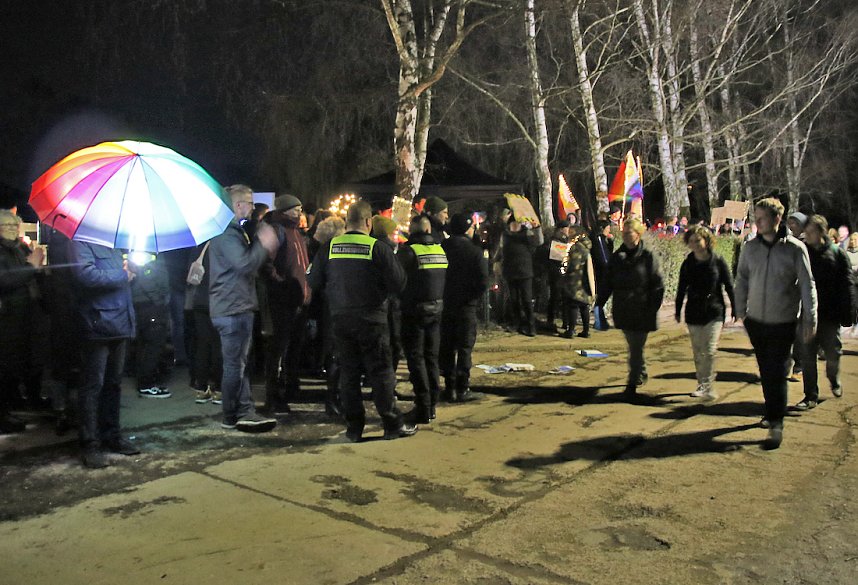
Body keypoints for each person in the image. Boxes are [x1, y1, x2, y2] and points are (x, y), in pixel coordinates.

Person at [307, 201, 417, 441]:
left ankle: (354, 428)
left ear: (347, 221)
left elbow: (313, 281)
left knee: (349, 374)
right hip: (372, 319)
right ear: (368, 222)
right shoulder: (377, 248)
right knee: (380, 372)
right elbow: (399, 283)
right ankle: (391, 424)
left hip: (340, 319)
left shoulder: (330, 247)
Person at [734, 197, 816, 449]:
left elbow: (807, 284)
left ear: (777, 218)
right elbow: (742, 279)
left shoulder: (794, 249)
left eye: (762, 217)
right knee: (766, 370)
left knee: (778, 371)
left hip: (783, 321)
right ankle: (771, 412)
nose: (757, 222)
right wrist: (741, 311)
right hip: (756, 321)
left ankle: (776, 422)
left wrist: (810, 317)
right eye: (756, 217)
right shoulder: (750, 248)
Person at [208, 184, 280, 432]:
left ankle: (244, 410)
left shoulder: (231, 232)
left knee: (239, 364)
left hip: (233, 305)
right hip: (232, 308)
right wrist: (263, 244)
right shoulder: (227, 235)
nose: (252, 207)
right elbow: (245, 265)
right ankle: (232, 415)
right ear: (238, 205)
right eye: (249, 203)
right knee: (234, 365)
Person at [69, 238, 138, 468]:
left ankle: (112, 436)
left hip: (119, 322)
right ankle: (90, 443)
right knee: (93, 386)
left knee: (113, 384)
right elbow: (85, 275)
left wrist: (133, 271)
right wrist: (123, 274)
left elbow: (124, 281)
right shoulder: (82, 242)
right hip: (97, 323)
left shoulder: (114, 243)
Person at [595, 219, 664, 400]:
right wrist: (599, 303)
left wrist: (652, 307)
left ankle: (632, 384)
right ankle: (641, 371)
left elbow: (658, 285)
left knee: (635, 347)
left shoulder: (648, 256)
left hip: (643, 308)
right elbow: (608, 282)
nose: (625, 236)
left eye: (628, 233)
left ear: (638, 234)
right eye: (624, 233)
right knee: (634, 346)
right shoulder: (617, 257)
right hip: (623, 308)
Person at [794, 215, 855, 409]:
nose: (807, 235)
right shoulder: (802, 251)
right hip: (807, 313)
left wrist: (849, 313)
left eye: (811, 232)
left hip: (830, 314)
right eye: (806, 232)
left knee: (833, 353)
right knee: (807, 355)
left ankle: (833, 378)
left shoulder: (837, 254)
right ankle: (810, 396)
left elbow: (847, 284)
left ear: (822, 232)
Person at [260, 194, 311, 417]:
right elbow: (266, 264)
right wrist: (282, 285)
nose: (299, 212)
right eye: (295, 209)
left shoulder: (296, 232)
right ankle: (274, 396)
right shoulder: (277, 231)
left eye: (300, 208)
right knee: (278, 349)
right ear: (284, 211)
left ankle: (290, 388)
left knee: (294, 348)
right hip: (284, 300)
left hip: (299, 299)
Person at [674, 225, 736, 401]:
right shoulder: (688, 264)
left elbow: (729, 285)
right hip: (693, 311)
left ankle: (707, 385)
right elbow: (681, 288)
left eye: (698, 240)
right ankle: (701, 382)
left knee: (709, 350)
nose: (695, 244)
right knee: (698, 350)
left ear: (707, 241)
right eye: (691, 241)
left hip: (714, 310)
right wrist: (677, 310)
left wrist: (735, 307)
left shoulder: (718, 261)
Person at [0, 211, 46, 433]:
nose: (12, 228)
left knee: (27, 359)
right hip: (7, 316)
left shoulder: (19, 247)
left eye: (14, 224)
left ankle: (20, 401)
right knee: (5, 364)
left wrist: (39, 267)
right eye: (6, 224)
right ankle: (4, 415)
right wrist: (31, 267)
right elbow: (5, 279)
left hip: (26, 313)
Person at [398, 215, 447, 423]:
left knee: (416, 359)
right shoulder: (439, 250)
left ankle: (423, 406)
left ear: (412, 231)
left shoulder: (408, 252)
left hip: (414, 312)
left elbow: (397, 279)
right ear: (428, 230)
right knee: (431, 358)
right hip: (437, 310)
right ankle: (432, 403)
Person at [440, 213, 488, 403]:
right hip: (466, 306)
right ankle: (462, 388)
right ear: (467, 229)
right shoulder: (474, 251)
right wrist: (473, 297)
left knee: (447, 346)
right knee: (465, 347)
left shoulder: (442, 248)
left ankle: (449, 387)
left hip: (445, 304)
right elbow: (483, 281)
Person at [128, 252, 172, 398]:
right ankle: (146, 384)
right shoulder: (146, 248)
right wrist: (158, 299)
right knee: (153, 344)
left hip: (144, 303)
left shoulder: (137, 245)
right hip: (150, 304)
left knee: (145, 344)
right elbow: (145, 277)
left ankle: (145, 380)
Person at [501, 215, 543, 336]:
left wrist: (537, 228)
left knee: (526, 300)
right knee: (514, 300)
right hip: (510, 271)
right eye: (513, 224)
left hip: (525, 272)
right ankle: (517, 323)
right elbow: (501, 250)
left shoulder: (526, 234)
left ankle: (531, 325)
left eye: (517, 223)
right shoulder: (505, 236)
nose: (515, 226)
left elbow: (538, 241)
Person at [558, 227, 595, 338]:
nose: (569, 234)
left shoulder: (577, 247)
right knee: (584, 305)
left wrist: (565, 271)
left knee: (573, 304)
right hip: (585, 280)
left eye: (571, 232)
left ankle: (571, 331)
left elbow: (574, 264)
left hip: (575, 280)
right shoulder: (586, 245)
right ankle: (586, 331)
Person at [590, 219, 614, 331]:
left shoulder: (602, 239)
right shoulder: (597, 239)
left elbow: (608, 253)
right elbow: (603, 258)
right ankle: (599, 322)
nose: (609, 230)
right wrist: (607, 269)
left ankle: (601, 320)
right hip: (601, 272)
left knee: (602, 297)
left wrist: (611, 242)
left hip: (604, 271)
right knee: (600, 297)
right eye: (608, 228)